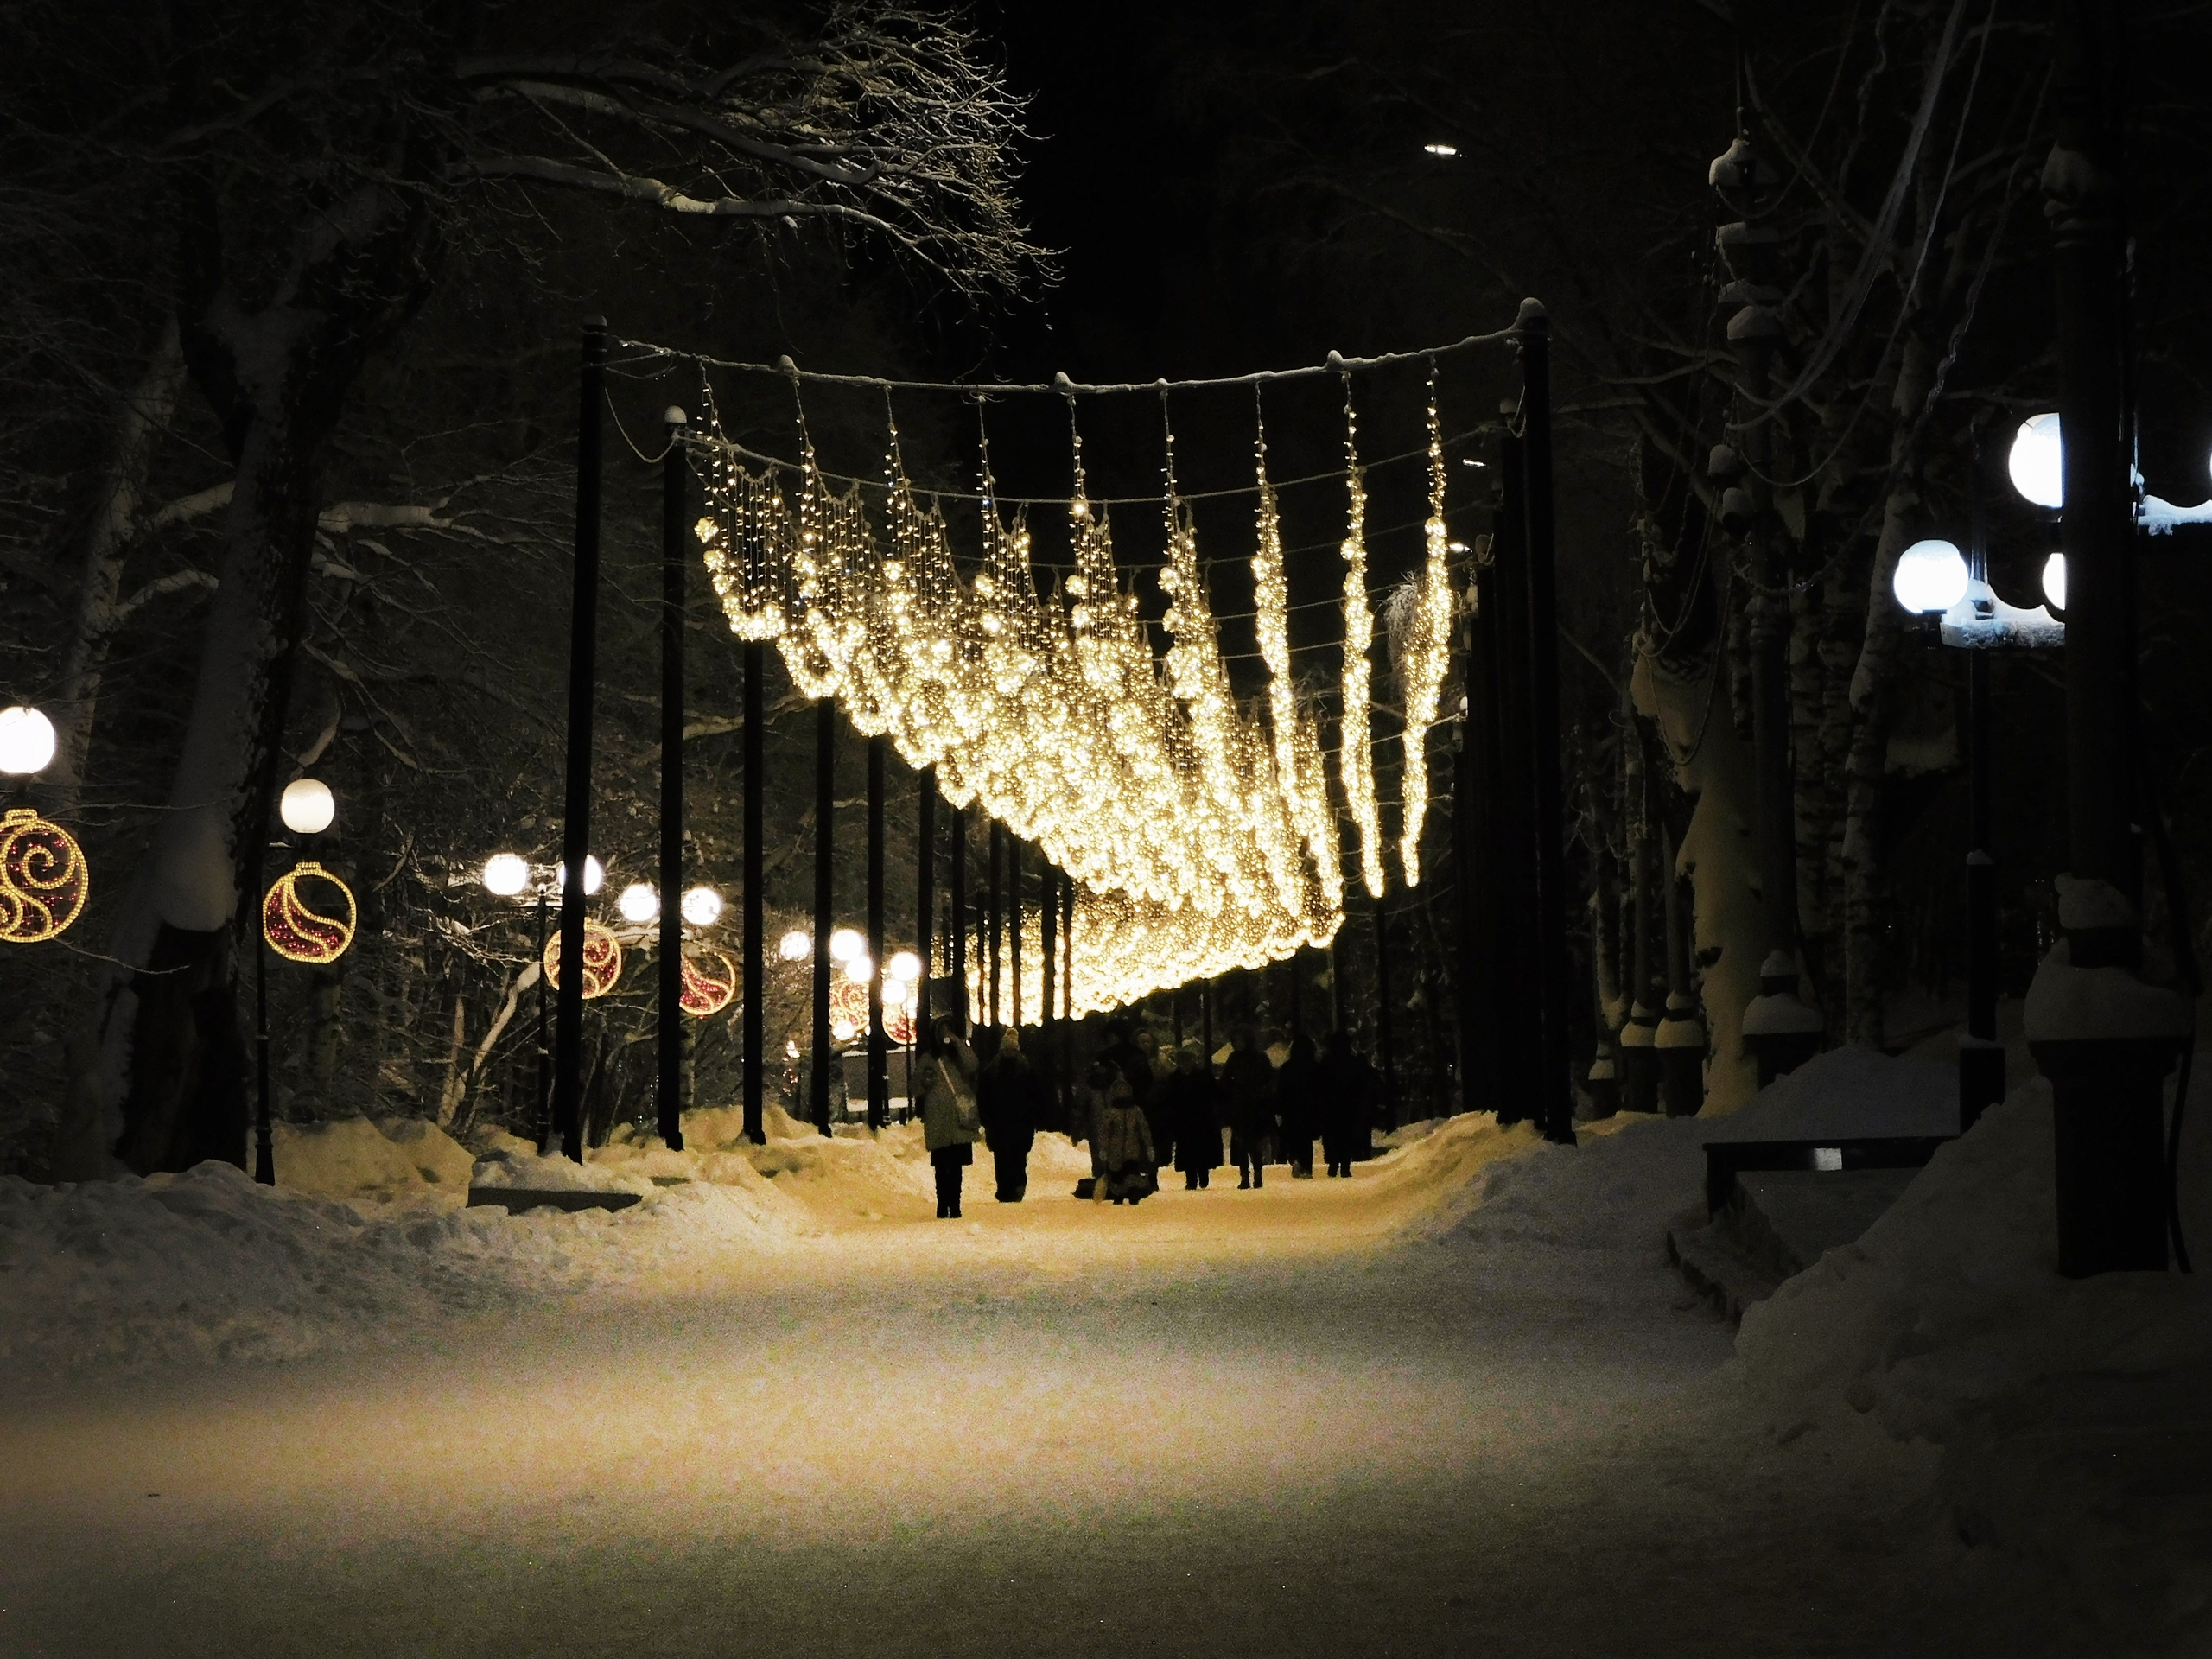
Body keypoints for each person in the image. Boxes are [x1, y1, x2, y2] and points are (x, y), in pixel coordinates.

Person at [916, 1017, 982, 1217]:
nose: (944, 1035)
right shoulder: (928, 1058)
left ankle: (955, 1203)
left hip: (958, 1118)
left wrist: (958, 1042)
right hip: (938, 1119)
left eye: (948, 1030)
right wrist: (925, 1081)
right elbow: (917, 1087)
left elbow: (973, 1064)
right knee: (942, 1165)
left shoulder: (958, 1057)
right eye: (941, 1031)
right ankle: (942, 1203)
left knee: (956, 1166)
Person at [978, 1025, 1045, 1203]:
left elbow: (1035, 1096)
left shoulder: (995, 1070)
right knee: (1008, 1157)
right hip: (1007, 1122)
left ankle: (1011, 1187)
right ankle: (1010, 1187)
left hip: (1013, 1121)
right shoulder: (1019, 1069)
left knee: (1011, 1156)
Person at [1221, 1024, 1277, 1190]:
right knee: (1242, 1145)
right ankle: (1245, 1176)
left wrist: (1262, 1093)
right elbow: (1225, 1081)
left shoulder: (1259, 1058)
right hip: (1239, 1107)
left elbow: (1269, 1079)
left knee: (1253, 1144)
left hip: (1255, 1107)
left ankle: (1257, 1174)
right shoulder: (1234, 1059)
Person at [1163, 1039, 1222, 1190]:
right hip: (1183, 1120)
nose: (1185, 1063)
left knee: (1201, 1149)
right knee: (1187, 1150)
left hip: (1202, 1119)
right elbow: (1170, 1098)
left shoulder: (1202, 1076)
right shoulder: (1175, 1079)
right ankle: (1191, 1179)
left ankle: (1203, 1175)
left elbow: (1214, 1093)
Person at [1318, 1028, 1376, 1179]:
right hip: (1349, 1106)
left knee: (1332, 1135)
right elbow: (1361, 1085)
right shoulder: (1353, 1063)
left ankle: (1333, 1163)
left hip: (1330, 1106)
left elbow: (1320, 1085)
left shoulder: (1326, 1063)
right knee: (1346, 1135)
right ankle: (1345, 1165)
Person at [1097, 1074, 1155, 1204]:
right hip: (1115, 1151)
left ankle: (1133, 1194)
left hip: (1132, 1151)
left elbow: (1144, 1129)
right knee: (1117, 1176)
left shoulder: (1135, 1111)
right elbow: (1105, 1132)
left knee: (1132, 1174)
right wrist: (1104, 1148)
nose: (1122, 1092)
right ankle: (1118, 1196)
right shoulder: (1111, 1112)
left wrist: (1149, 1146)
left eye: (1124, 1090)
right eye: (1119, 1090)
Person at [1275, 1031, 1323, 1179]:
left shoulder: (1287, 1068)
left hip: (1291, 1109)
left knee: (1293, 1137)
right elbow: (1320, 1089)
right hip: (1309, 1109)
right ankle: (1306, 1167)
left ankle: (1294, 1159)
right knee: (1306, 1140)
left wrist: (1279, 1108)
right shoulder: (1315, 1068)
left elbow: (1281, 1089)